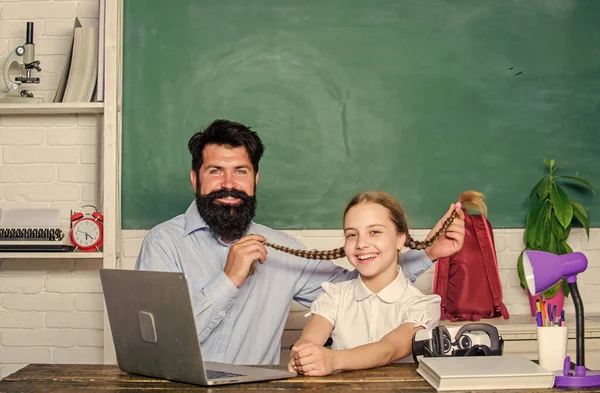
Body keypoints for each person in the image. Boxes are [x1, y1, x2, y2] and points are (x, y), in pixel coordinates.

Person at [135, 119, 465, 365]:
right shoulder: (164, 244)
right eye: (215, 171)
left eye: (241, 171)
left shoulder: (282, 248)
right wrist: (228, 279)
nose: (229, 184)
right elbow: (158, 343)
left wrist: (429, 251)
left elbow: (358, 287)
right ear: (195, 178)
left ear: (255, 179)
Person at [288, 191, 442, 376]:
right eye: (352, 235)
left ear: (400, 239)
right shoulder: (334, 295)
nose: (361, 243)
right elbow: (309, 340)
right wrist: (302, 356)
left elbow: (389, 349)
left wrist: (333, 359)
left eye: (374, 232)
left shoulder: (422, 306)